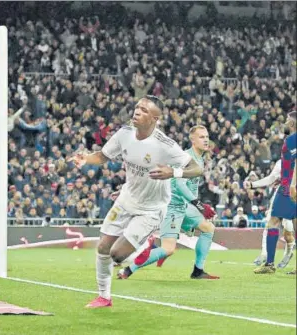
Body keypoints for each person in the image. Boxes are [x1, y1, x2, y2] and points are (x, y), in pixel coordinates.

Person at [68, 96, 203, 308]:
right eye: (137, 107)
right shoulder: (124, 134)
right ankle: (104, 297)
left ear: (155, 119)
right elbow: (103, 156)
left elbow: (197, 168)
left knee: (117, 254)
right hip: (126, 200)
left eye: (144, 110)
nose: (137, 112)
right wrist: (85, 158)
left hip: (151, 208)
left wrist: (173, 172)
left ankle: (144, 249)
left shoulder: (165, 145)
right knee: (103, 247)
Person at [117, 125, 218, 280]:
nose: (205, 140)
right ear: (192, 140)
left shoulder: (199, 159)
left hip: (185, 206)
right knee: (168, 249)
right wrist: (199, 205)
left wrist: (197, 208)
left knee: (208, 228)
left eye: (206, 136)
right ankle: (128, 270)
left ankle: (198, 271)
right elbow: (179, 184)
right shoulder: (185, 158)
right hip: (172, 207)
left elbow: (191, 187)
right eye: (201, 137)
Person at [254, 111, 297, 274]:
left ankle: (269, 264)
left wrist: (293, 183)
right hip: (289, 186)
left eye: (287, 120)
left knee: (273, 222)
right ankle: (271, 264)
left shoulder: (292, 139)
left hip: (289, 188)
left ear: (292, 124)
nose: (285, 123)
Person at [244, 160, 295, 269]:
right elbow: (271, 178)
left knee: (288, 232)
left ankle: (289, 252)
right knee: (271, 223)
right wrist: (253, 184)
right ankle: (265, 255)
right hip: (283, 194)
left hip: (293, 194)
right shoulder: (282, 161)